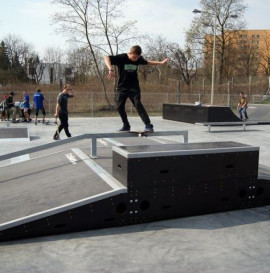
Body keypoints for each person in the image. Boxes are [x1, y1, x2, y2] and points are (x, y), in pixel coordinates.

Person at [104, 45, 169, 132]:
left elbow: (147, 62)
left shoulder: (138, 59)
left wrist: (160, 63)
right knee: (119, 106)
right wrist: (110, 69)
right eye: (134, 57)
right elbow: (106, 57)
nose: (135, 59)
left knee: (138, 104)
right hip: (121, 88)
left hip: (133, 88)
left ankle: (148, 125)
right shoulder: (122, 57)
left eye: (137, 58)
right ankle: (126, 125)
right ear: (130, 53)